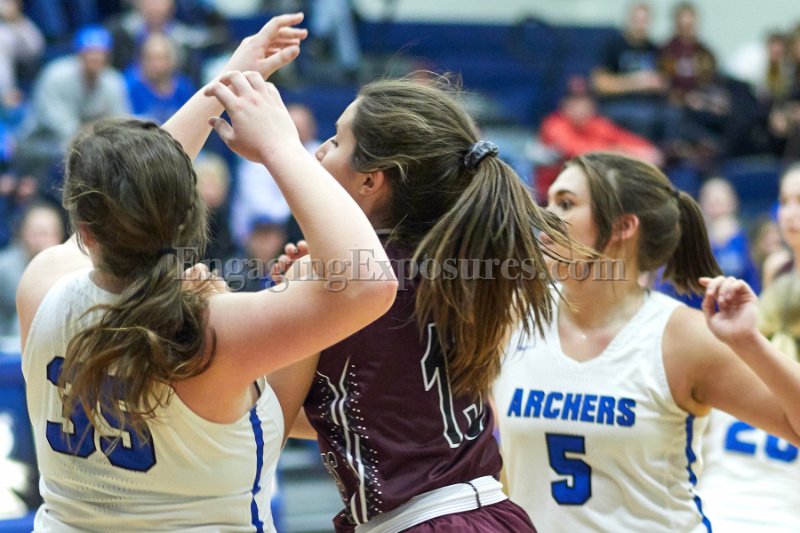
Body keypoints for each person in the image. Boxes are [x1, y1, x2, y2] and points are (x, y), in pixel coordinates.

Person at [18, 13, 397, 532]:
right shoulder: (210, 328)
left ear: (85, 228)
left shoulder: (42, 284)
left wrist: (224, 84)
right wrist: (282, 148)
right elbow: (371, 283)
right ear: (188, 217)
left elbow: (129, 193)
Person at [268, 75, 575, 532]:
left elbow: (265, 428)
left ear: (371, 180)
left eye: (334, 141)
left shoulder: (332, 277)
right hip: (496, 515)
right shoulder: (461, 264)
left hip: (421, 521)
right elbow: (381, 418)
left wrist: (265, 319)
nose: (319, 152)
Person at [494, 152, 800, 532]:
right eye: (548, 200)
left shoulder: (679, 337)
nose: (545, 216)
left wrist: (750, 343)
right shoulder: (514, 314)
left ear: (623, 227)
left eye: (566, 204)